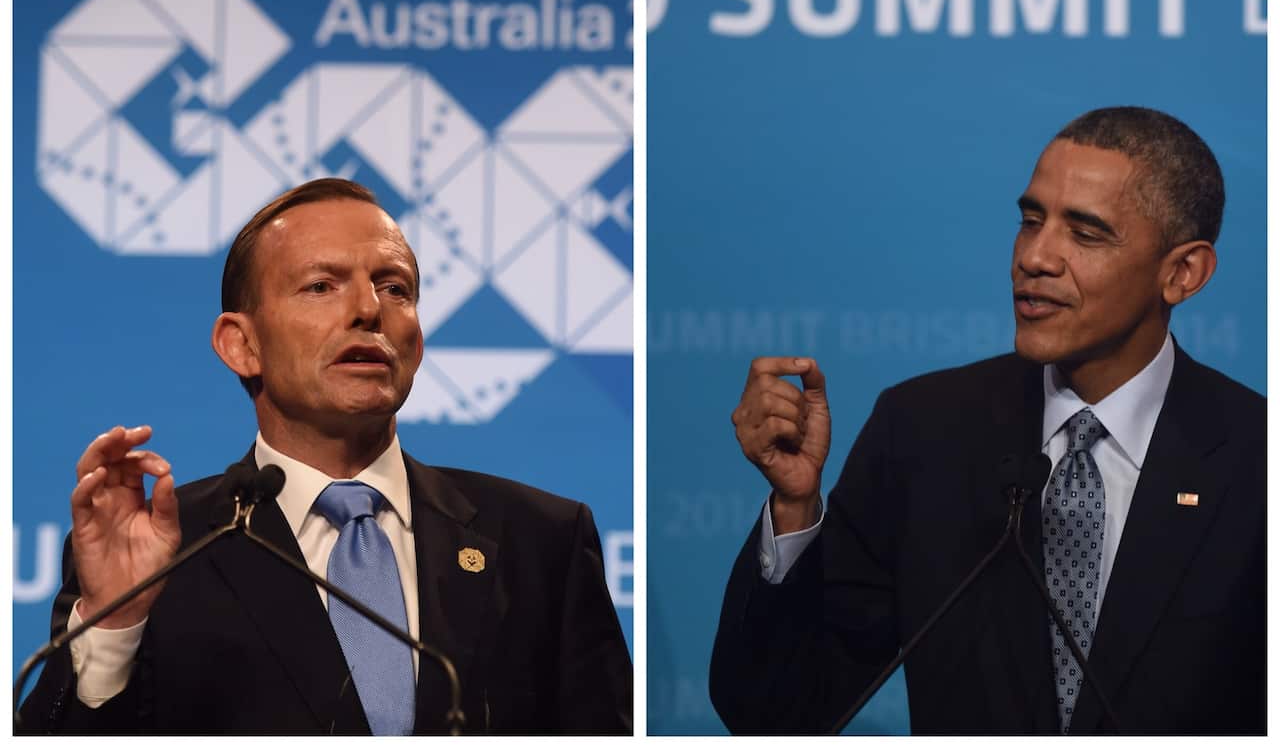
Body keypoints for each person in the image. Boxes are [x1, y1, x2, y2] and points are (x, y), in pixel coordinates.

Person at [710, 107, 1264, 735]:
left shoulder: (1256, 458)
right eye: (1031, 221)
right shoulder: (923, 432)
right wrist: (795, 508)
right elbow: (776, 715)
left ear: (1181, 273)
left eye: (1084, 234)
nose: (1035, 257)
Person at [18, 179, 632, 735]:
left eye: (395, 288)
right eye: (321, 286)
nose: (369, 310)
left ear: (416, 341)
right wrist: (113, 624)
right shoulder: (167, 553)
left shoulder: (540, 541)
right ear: (242, 345)